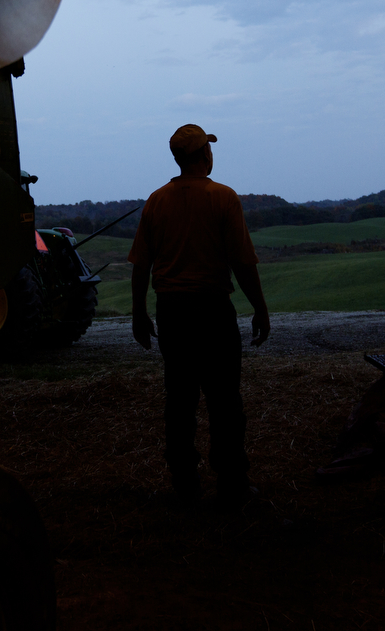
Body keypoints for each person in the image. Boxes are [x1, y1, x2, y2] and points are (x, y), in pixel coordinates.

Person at [128, 124, 271, 509]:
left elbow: (141, 265)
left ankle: (185, 483)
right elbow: (242, 262)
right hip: (212, 311)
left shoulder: (157, 201)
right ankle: (232, 484)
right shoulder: (223, 198)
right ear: (204, 155)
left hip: (172, 312)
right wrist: (260, 307)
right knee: (225, 400)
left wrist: (139, 313)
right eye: (209, 147)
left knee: (180, 399)